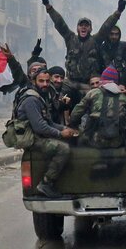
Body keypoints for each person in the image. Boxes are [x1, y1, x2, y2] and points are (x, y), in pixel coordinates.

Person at [40, 0, 126, 96]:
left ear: (90, 29)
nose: (84, 27)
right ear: (77, 28)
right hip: (71, 82)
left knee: (95, 98)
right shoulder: (70, 38)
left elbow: (106, 26)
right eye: (81, 25)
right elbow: (60, 23)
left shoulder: (96, 40)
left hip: (89, 84)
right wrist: (48, 6)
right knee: (54, 92)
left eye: (86, 26)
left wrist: (118, 12)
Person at [15, 67, 77, 198]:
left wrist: (64, 129)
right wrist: (60, 134)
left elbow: (50, 123)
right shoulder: (31, 100)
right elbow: (40, 127)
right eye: (41, 81)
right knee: (63, 149)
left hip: (38, 135)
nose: (45, 84)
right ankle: (46, 183)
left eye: (47, 81)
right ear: (34, 81)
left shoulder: (41, 97)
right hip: (32, 138)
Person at [69, 65, 126, 148]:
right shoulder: (122, 96)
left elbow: (74, 115)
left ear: (102, 80)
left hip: (94, 140)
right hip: (118, 141)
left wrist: (75, 126)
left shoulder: (93, 93)